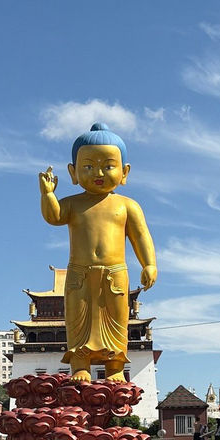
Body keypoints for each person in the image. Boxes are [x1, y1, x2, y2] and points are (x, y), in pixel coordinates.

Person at [39, 123, 157, 382]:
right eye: (89, 166)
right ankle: (80, 364)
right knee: (78, 322)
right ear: (73, 172)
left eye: (108, 165)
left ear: (124, 172)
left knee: (116, 321)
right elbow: (54, 216)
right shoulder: (72, 203)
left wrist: (149, 264)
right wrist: (48, 195)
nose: (98, 172)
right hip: (79, 273)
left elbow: (141, 236)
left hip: (114, 273)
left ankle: (114, 367)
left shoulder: (127, 206)